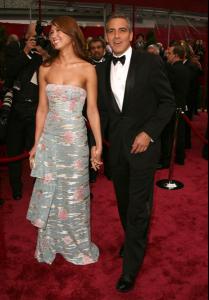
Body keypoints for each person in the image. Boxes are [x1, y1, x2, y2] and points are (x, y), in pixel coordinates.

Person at [95, 14, 175, 293]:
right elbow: (104, 112)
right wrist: (96, 142)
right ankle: (133, 240)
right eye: (111, 31)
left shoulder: (150, 62)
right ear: (106, 36)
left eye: (122, 31)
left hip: (144, 148)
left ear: (131, 34)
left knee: (139, 208)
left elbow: (167, 103)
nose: (116, 36)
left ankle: (131, 266)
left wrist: (149, 133)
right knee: (123, 202)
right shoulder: (101, 68)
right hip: (116, 149)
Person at [27, 16, 103, 265]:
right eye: (51, 32)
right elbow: (41, 109)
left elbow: (92, 110)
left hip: (75, 144)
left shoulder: (87, 68)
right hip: (50, 140)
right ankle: (51, 242)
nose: (53, 35)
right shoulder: (45, 67)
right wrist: (35, 144)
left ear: (73, 34)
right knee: (51, 192)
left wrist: (98, 144)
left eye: (59, 31)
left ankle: (76, 244)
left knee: (74, 193)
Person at [3, 25, 49, 200]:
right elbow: (10, 72)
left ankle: (39, 186)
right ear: (25, 37)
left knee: (37, 150)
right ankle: (16, 186)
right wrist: (27, 51)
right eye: (32, 36)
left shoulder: (44, 53)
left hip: (37, 110)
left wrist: (43, 54)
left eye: (38, 36)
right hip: (16, 109)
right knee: (14, 151)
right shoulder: (16, 51)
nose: (35, 39)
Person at [161, 44, 190, 167]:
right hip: (181, 104)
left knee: (168, 134)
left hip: (172, 106)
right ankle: (180, 157)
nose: (167, 55)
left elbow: (167, 89)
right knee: (179, 133)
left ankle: (167, 161)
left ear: (176, 56)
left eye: (170, 53)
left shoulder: (172, 69)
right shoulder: (186, 69)